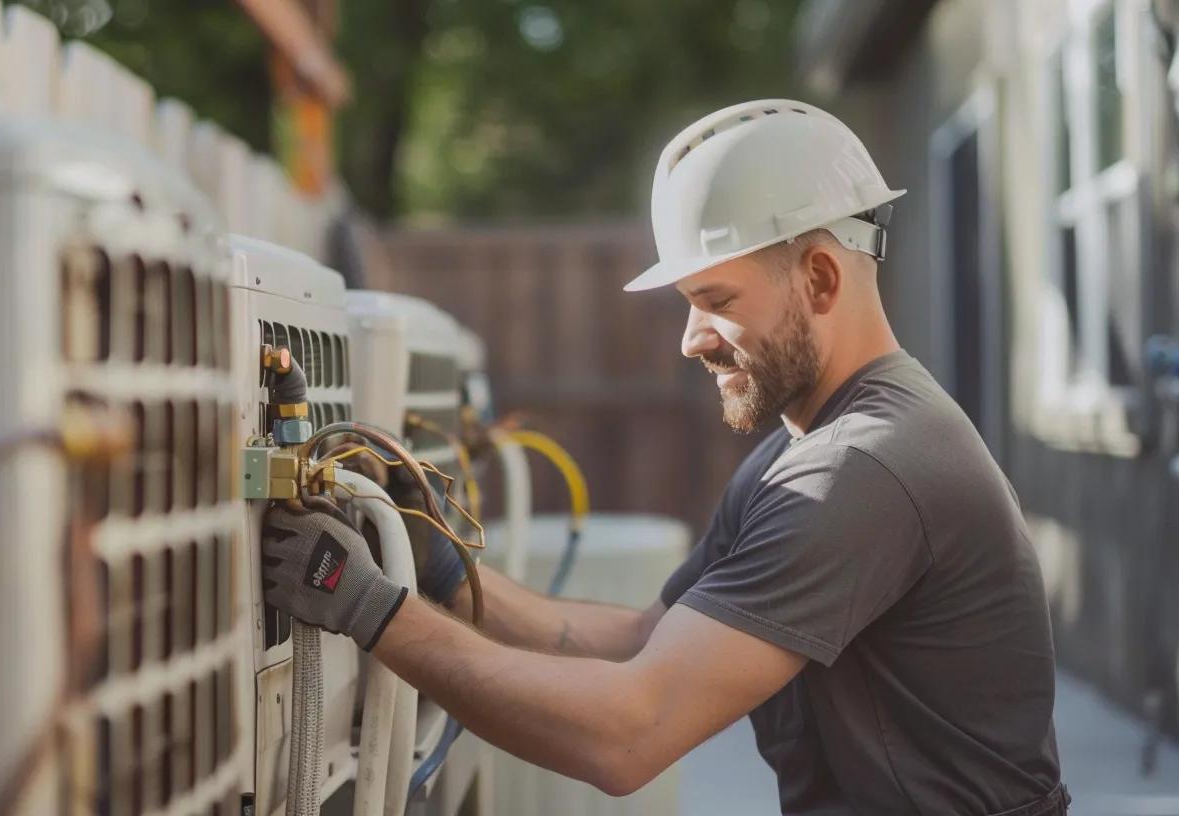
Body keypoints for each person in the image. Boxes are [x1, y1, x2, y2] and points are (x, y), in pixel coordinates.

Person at [260, 99, 1068, 815]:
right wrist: (438, 567)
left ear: (821, 277)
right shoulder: (809, 445)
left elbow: (626, 735)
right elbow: (646, 640)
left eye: (716, 302)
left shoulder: (863, 468)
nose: (690, 339)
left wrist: (366, 607)